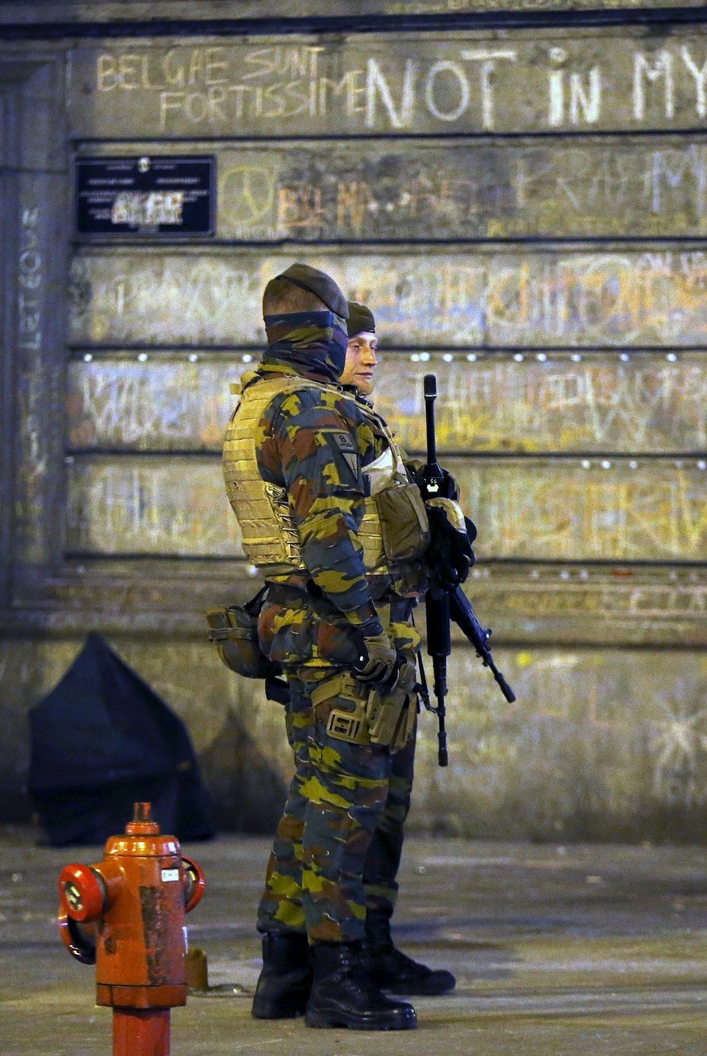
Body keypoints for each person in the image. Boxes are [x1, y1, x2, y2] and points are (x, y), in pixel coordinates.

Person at [222, 264, 428, 1031]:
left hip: (303, 630)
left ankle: (283, 971)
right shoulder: (308, 410)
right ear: (324, 332)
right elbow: (330, 545)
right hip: (338, 637)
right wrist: (373, 632)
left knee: (313, 800)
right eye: (347, 331)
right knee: (346, 808)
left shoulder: (260, 401)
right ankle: (336, 984)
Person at [339, 303, 457, 999]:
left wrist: (439, 510)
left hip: (396, 636)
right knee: (351, 809)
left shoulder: (370, 426)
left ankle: (373, 943)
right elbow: (347, 541)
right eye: (356, 343)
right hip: (361, 644)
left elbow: (395, 521)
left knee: (388, 807)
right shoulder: (326, 427)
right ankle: (338, 956)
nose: (370, 356)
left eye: (375, 344)